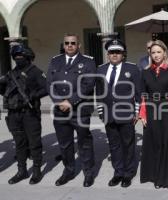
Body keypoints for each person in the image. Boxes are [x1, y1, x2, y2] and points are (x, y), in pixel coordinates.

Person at [47, 33, 96, 187]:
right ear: (63, 45)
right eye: (67, 43)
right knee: (65, 144)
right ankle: (68, 171)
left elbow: (88, 84)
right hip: (60, 111)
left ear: (78, 45)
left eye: (73, 43)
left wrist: (70, 101)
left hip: (80, 110)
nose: (69, 45)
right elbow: (49, 84)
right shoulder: (55, 61)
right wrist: (59, 101)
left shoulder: (88, 62)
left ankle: (88, 173)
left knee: (84, 142)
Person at [96, 39, 141, 188]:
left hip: (126, 114)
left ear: (123, 54)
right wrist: (102, 113)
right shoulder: (101, 69)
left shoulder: (132, 69)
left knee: (128, 145)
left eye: (118, 52)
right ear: (108, 54)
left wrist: (136, 112)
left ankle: (128, 173)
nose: (114, 55)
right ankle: (118, 172)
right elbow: (99, 93)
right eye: (111, 52)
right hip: (109, 115)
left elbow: (139, 93)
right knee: (114, 145)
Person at [0, 44, 47, 184]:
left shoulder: (35, 71)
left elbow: (47, 88)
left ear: (28, 57)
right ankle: (22, 171)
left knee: (34, 143)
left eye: (21, 57)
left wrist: (34, 95)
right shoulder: (11, 74)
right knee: (19, 143)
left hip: (30, 113)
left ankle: (37, 170)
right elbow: (6, 92)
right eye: (16, 57)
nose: (18, 59)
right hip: (14, 113)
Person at [139, 40, 168, 189]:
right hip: (151, 111)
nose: (156, 55)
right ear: (150, 54)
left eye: (159, 52)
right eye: (153, 52)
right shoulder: (145, 71)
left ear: (165, 52)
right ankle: (156, 177)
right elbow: (143, 95)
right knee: (155, 144)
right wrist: (142, 114)